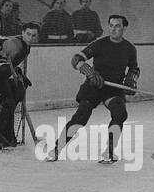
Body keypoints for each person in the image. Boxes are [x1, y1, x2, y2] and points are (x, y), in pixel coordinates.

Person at [44, 14, 139, 165]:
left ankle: (109, 151)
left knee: (120, 113)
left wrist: (131, 79)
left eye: (118, 26)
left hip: (113, 89)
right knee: (81, 117)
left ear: (124, 28)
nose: (114, 29)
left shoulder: (129, 48)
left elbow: (134, 68)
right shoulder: (99, 44)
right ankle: (56, 148)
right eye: (111, 26)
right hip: (93, 86)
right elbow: (76, 59)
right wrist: (88, 71)